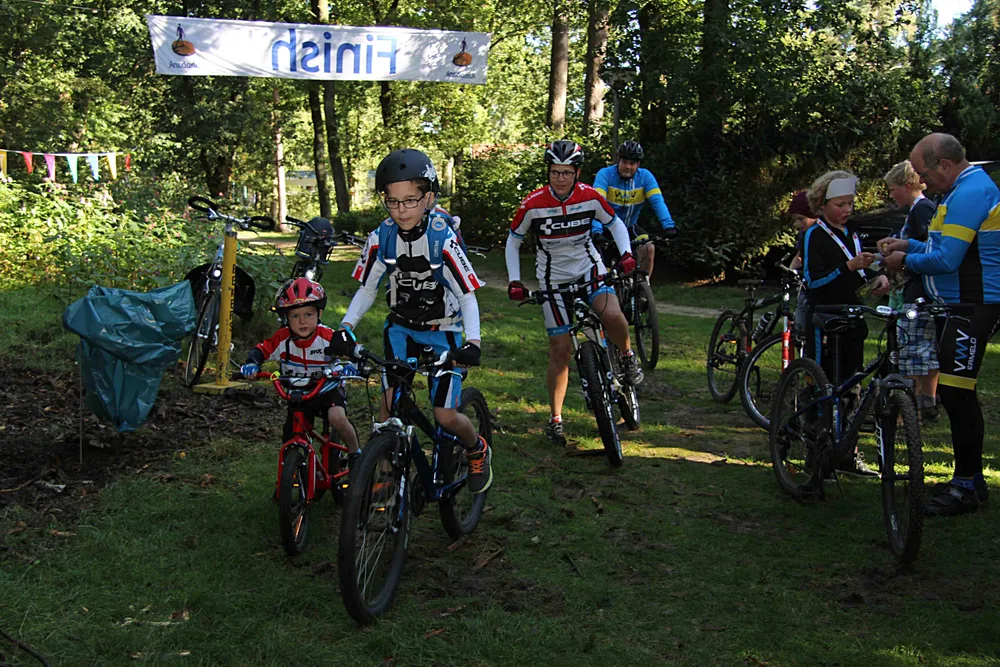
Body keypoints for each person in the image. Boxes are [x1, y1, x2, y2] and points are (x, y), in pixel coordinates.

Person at [329, 148, 492, 494]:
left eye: (410, 200)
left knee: (445, 415)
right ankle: (387, 474)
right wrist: (345, 327)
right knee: (389, 404)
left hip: (443, 330)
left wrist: (473, 342)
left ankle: (476, 447)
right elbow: (367, 289)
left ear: (429, 198)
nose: (402, 210)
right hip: (401, 328)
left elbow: (466, 295)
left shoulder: (442, 238)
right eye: (393, 201)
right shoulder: (382, 237)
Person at [880, 133, 1000, 516]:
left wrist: (904, 261)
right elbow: (940, 248)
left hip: (974, 306)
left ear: (945, 165)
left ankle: (965, 486)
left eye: (924, 173)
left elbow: (947, 260)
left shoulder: (970, 193)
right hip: (960, 306)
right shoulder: (959, 190)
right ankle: (970, 480)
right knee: (955, 393)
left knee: (956, 393)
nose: (922, 181)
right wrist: (908, 246)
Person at [505, 140, 642, 447]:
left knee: (611, 314)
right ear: (548, 172)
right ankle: (555, 418)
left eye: (567, 172)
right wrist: (514, 281)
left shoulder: (590, 196)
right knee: (560, 350)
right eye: (555, 172)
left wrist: (626, 254)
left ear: (577, 173)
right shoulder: (533, 204)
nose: (561, 178)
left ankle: (627, 356)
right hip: (552, 280)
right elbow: (513, 240)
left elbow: (615, 224)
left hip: (589, 269)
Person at [802, 170, 890, 475]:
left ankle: (848, 453)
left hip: (853, 316)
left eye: (850, 203)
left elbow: (860, 271)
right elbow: (813, 281)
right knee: (823, 384)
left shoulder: (852, 232)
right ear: (823, 204)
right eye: (840, 204)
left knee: (852, 384)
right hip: (824, 318)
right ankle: (816, 456)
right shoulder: (814, 234)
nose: (847, 210)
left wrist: (877, 276)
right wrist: (847, 267)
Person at [241, 277, 361, 459]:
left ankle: (355, 454)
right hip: (298, 393)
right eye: (295, 316)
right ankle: (297, 471)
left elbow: (353, 350)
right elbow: (261, 350)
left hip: (328, 389)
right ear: (286, 318)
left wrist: (354, 365)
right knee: (290, 436)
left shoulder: (328, 336)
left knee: (337, 418)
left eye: (309, 314)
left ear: (319, 314)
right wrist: (252, 363)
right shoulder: (282, 338)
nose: (302, 321)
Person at [883, 160, 939, 423]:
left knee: (913, 349)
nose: (891, 195)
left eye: (893, 189)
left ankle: (911, 410)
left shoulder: (922, 209)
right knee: (921, 349)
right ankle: (925, 404)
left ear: (907, 186)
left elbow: (931, 246)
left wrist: (903, 257)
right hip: (916, 290)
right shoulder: (916, 211)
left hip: (919, 292)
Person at [592, 141, 677, 280]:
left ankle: (643, 286)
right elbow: (597, 204)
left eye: (632, 163)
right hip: (605, 230)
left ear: (638, 164)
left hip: (630, 227)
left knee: (648, 247)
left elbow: (657, 201)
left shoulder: (645, 177)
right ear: (618, 160)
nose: (628, 167)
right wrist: (596, 231)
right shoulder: (605, 175)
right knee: (605, 274)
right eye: (624, 162)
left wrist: (669, 226)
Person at [786, 190, 818, 335]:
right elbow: (799, 257)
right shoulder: (804, 234)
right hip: (805, 287)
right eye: (795, 220)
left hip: (818, 288)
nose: (797, 224)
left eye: (801, 219)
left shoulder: (820, 234)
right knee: (800, 326)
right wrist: (789, 273)